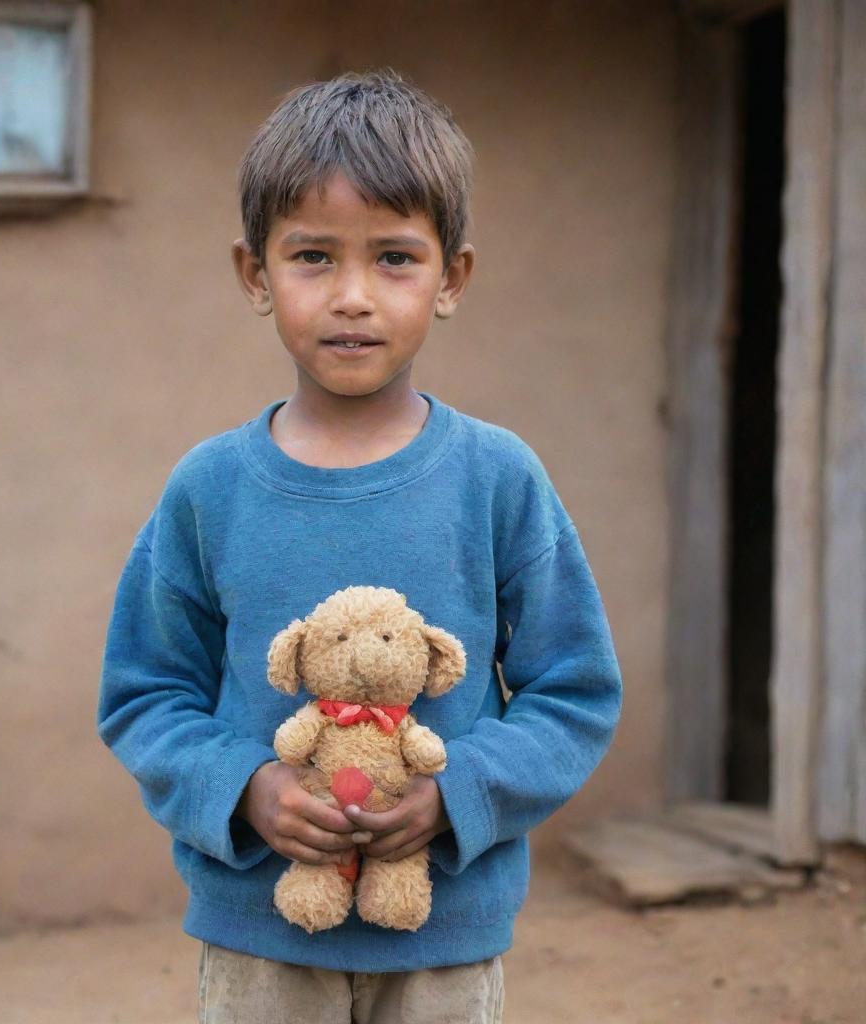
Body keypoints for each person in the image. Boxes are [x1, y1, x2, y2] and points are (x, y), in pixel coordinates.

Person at [97, 69, 623, 1024]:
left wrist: (456, 794)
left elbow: (574, 691)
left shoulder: (498, 479)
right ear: (255, 274)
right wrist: (246, 787)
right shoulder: (209, 490)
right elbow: (144, 695)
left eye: (393, 258)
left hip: (441, 936)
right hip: (260, 933)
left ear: (451, 278)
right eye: (311, 256)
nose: (351, 296)